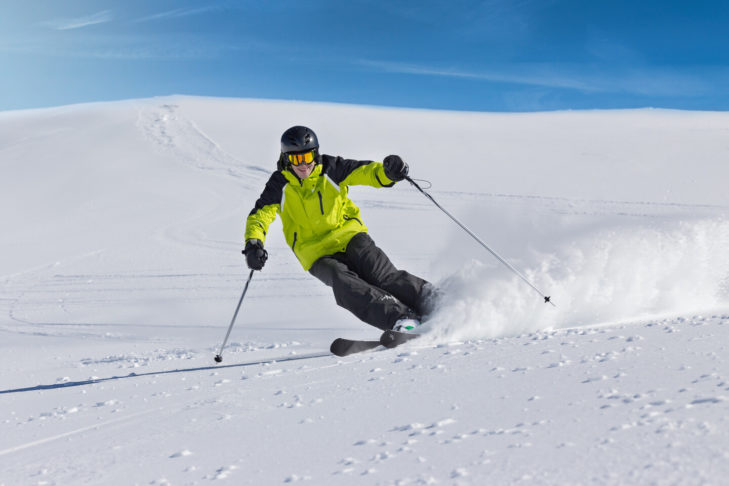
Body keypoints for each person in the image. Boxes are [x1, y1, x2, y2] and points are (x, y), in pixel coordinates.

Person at [243, 126, 437, 333]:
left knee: (380, 273)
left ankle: (432, 299)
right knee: (344, 282)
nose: (303, 164)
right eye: (296, 159)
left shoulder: (332, 168)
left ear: (315, 153)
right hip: (315, 252)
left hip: (350, 235)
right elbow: (260, 216)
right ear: (285, 159)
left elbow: (365, 173)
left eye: (307, 156)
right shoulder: (278, 184)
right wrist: (254, 243)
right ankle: (401, 319)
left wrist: (387, 173)